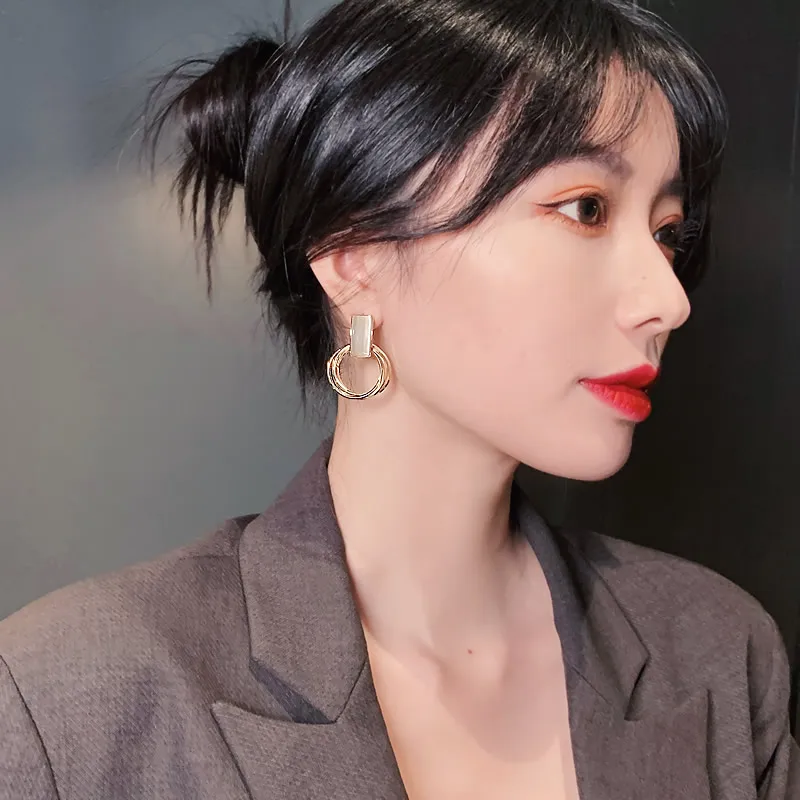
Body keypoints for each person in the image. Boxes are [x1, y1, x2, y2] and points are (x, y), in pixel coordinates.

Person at [1, 0, 797, 797]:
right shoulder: (73, 701)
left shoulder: (719, 654)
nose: (667, 300)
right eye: (586, 209)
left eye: (666, 232)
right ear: (354, 254)